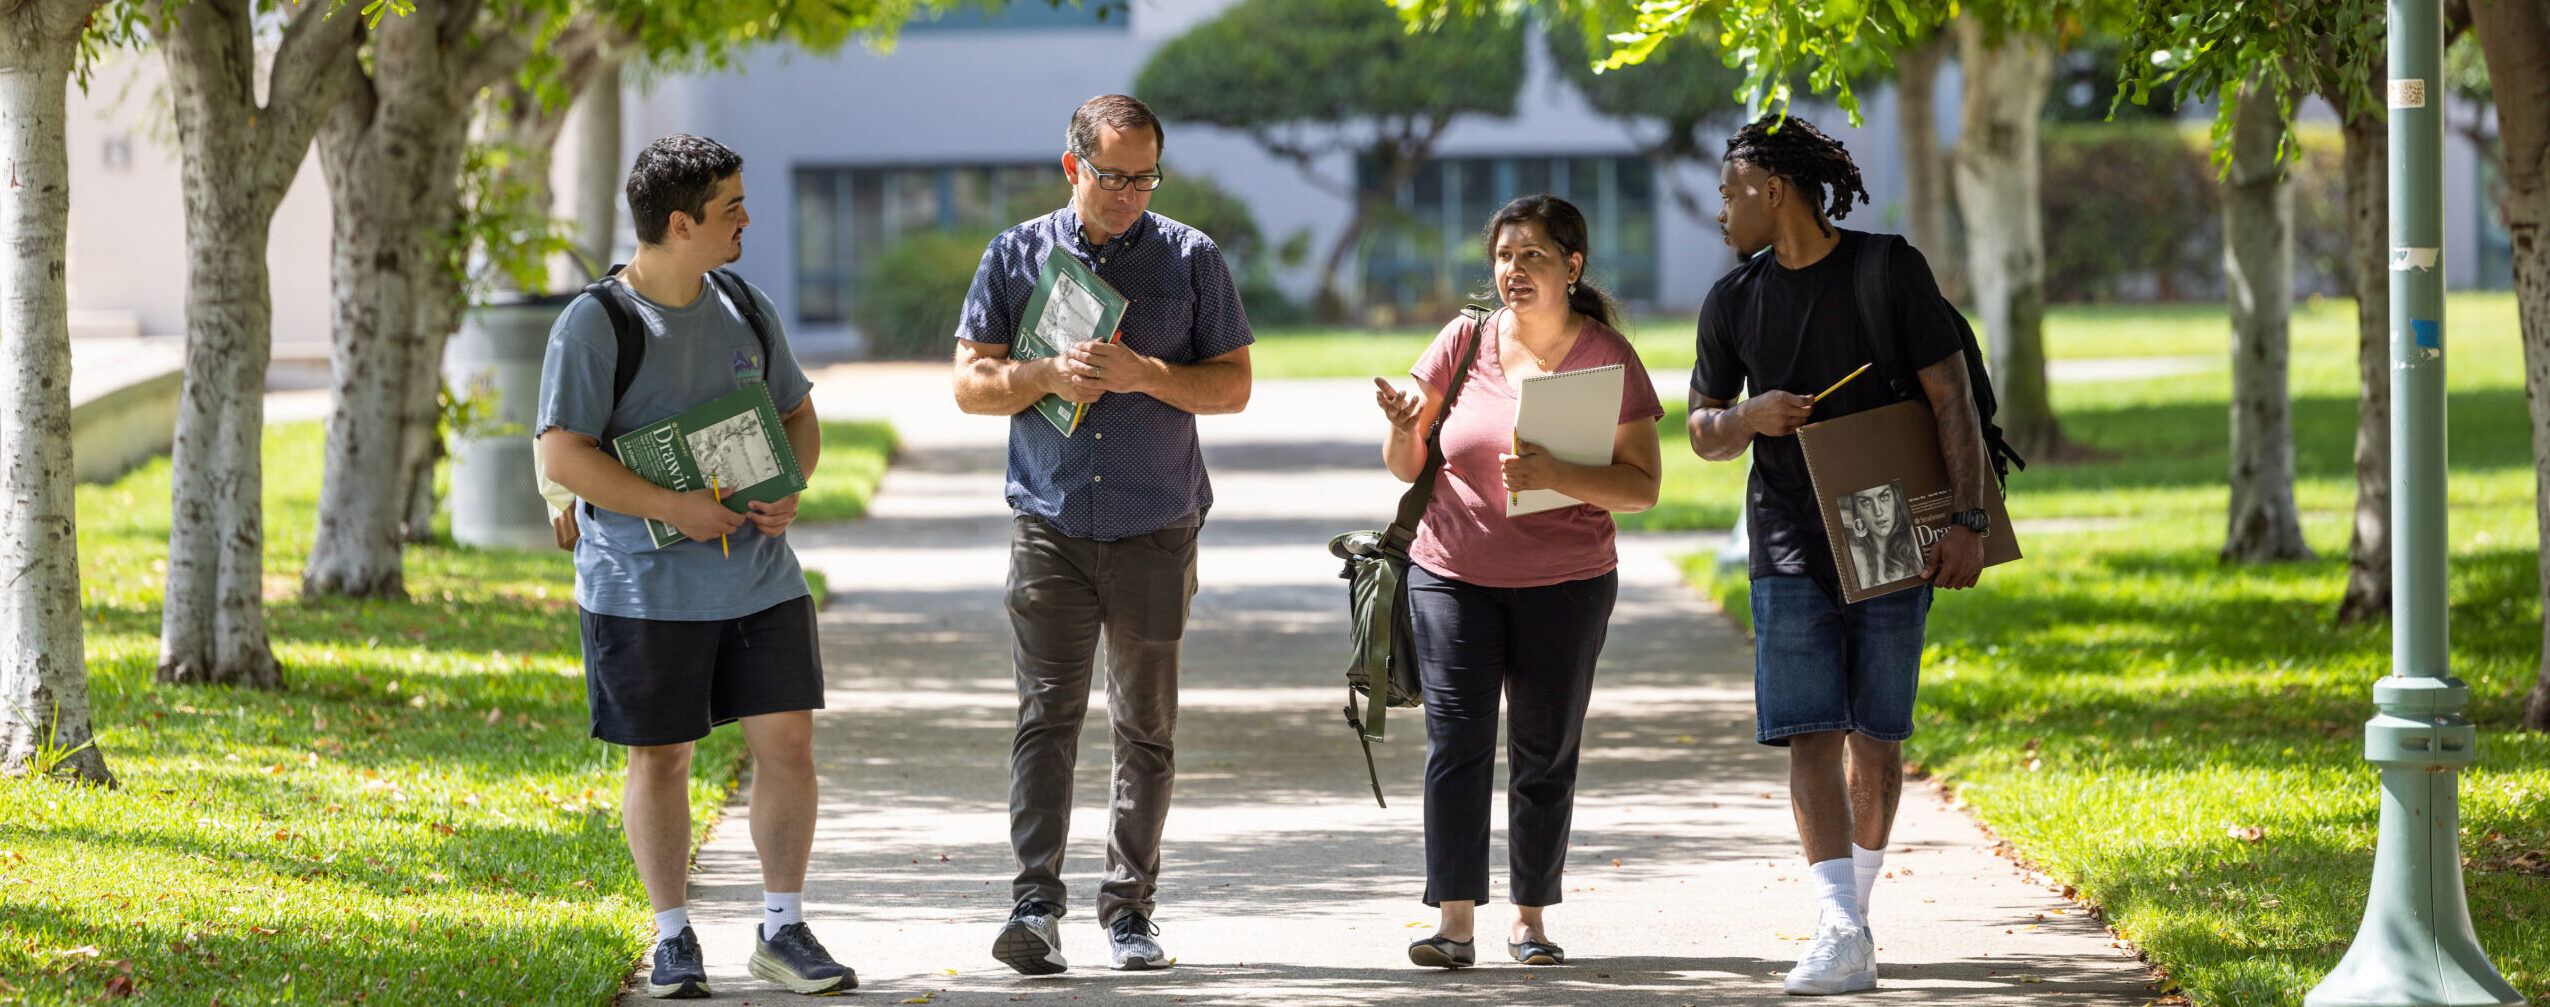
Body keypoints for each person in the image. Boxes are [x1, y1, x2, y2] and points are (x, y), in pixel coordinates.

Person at [535, 134, 853, 998]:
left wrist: (792, 486)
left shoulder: (744, 302)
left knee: (788, 743)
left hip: (760, 578)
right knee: (663, 758)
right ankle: (673, 936)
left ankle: (783, 927)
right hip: (642, 584)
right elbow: (562, 454)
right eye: (731, 207)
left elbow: (796, 415)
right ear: (680, 223)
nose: (747, 218)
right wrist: (675, 507)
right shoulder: (595, 324)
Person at [1685, 115, 1995, 995]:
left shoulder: (1885, 268)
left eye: (1729, 192)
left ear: (1773, 189)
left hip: (1881, 510)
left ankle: (1851, 918)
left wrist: (1967, 517)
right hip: (1784, 524)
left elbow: (1953, 399)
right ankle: (1838, 924)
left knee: (1877, 730)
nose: (1721, 210)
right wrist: (1748, 417)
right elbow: (1702, 429)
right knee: (1807, 728)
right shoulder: (1731, 300)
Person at [950, 93, 1254, 975]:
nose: (1130, 194)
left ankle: (1129, 910)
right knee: (1046, 715)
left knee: (1144, 725)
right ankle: (1035, 906)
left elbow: (1232, 385)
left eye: (1145, 176)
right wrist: (1046, 371)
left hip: (1156, 524)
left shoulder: (1190, 258)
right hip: (1049, 522)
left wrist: (1143, 373)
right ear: (1072, 165)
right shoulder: (1015, 254)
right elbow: (971, 384)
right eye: (1114, 176)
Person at [1373, 194, 1664, 970]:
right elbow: (1406, 466)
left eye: (1533, 255)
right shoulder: (1462, 339)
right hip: (1451, 575)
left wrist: (1557, 472)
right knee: (1456, 743)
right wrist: (1405, 426)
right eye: (1504, 256)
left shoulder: (1608, 357)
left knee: (1543, 749)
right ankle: (1455, 922)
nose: (1513, 271)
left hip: (1567, 583)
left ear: (1573, 265)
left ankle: (1530, 919)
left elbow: (1642, 486)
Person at [1844, 483, 1920, 589]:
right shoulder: (1854, 556)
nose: (1878, 511)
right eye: (1865, 502)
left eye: (1884, 497)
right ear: (1857, 511)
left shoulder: (1915, 539)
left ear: (1896, 499)